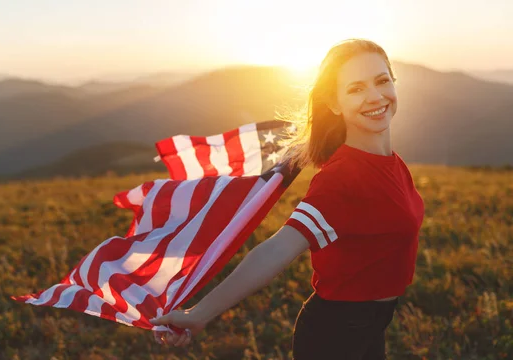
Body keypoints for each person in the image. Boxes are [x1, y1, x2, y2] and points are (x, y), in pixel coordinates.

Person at [150, 38, 425, 360]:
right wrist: (199, 313)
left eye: (382, 81)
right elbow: (277, 249)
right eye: (356, 89)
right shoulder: (342, 178)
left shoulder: (391, 161)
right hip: (334, 338)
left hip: (370, 329)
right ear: (334, 104)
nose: (375, 96)